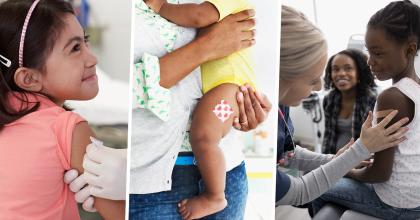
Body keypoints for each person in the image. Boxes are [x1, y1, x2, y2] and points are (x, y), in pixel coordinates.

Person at [129, 0, 270, 220]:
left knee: (204, 136)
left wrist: (163, 8)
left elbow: (199, 16)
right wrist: (205, 47)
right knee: (205, 136)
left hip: (228, 94)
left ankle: (215, 196)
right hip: (149, 188)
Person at [0, 0, 124, 219]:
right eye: (75, 48)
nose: (92, 59)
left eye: (85, 41)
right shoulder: (68, 129)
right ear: (29, 78)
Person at [275, 5, 409, 206]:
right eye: (312, 80)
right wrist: (356, 153)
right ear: (282, 76)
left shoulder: (281, 106)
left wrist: (335, 160)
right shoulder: (329, 101)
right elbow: (298, 192)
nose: (319, 87)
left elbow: (284, 155)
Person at [312, 1, 420, 219]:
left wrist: (344, 169)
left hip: (398, 204)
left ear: (409, 49)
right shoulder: (416, 88)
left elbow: (380, 173)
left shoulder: (392, 97)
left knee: (317, 187)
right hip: (414, 197)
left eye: (378, 54)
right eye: (369, 52)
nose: (370, 61)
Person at [322, 49, 377, 154]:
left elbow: (373, 142)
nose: (341, 73)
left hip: (360, 160)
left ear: (359, 73)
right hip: (333, 158)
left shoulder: (372, 100)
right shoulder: (329, 99)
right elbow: (328, 137)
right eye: (335, 69)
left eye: (348, 68)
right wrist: (325, 163)